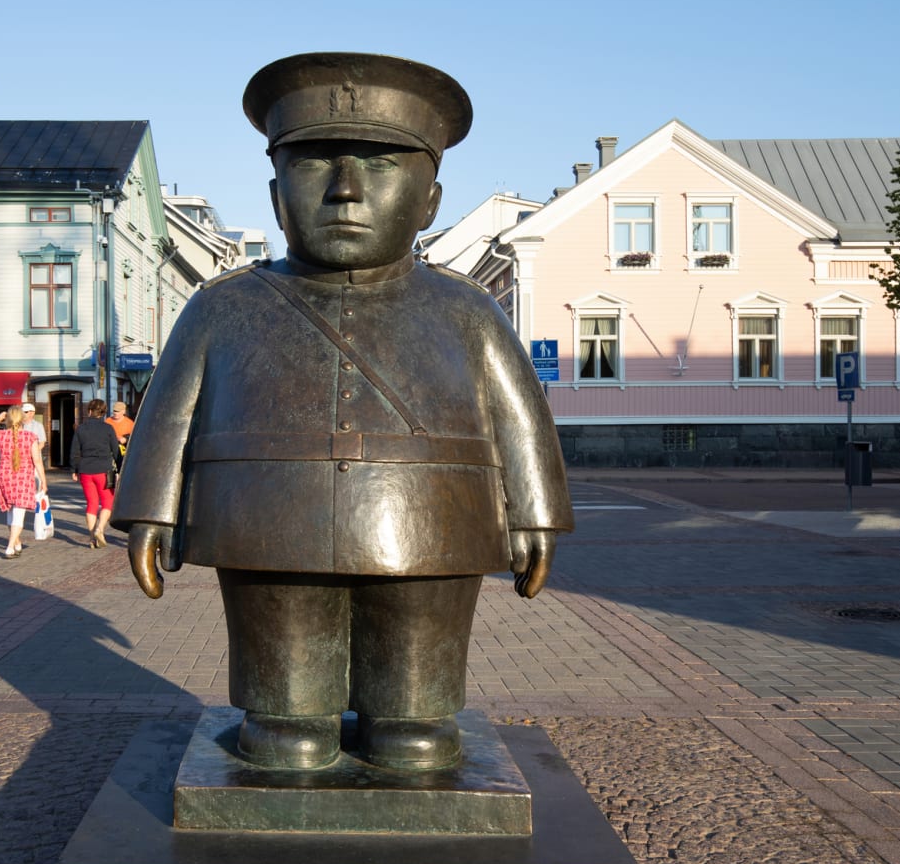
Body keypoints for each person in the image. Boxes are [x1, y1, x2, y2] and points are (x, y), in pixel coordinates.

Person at [114, 52, 572, 774]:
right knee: (285, 719)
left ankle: (410, 715)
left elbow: (520, 416)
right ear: (274, 196)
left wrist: (535, 513)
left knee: (413, 723)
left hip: (429, 524)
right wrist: (149, 509)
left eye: (381, 165)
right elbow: (168, 414)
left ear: (430, 201)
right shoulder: (223, 307)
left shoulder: (468, 312)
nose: (347, 191)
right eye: (315, 165)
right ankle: (288, 715)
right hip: (268, 526)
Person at [0, 401, 44, 558]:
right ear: (22, 419)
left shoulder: (1, 436)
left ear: (8, 420)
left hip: (6, 477)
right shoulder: (30, 437)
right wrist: (43, 480)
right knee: (18, 513)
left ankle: (16, 543)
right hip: (23, 478)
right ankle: (10, 546)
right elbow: (37, 460)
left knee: (11, 511)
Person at [70, 398, 121, 548]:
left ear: (89, 411)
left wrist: (74, 469)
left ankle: (92, 538)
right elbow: (116, 451)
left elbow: (75, 451)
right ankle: (100, 529)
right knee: (107, 502)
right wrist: (119, 467)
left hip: (86, 470)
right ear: (103, 413)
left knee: (91, 503)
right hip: (103, 470)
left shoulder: (81, 429)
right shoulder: (108, 429)